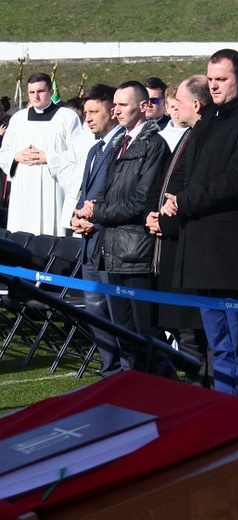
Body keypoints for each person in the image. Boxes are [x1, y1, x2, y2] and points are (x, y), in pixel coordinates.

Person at [161, 49, 238, 398]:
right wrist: (173, 197)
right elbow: (182, 171)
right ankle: (226, 409)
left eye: (221, 79)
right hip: (198, 246)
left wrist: (186, 201)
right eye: (210, 80)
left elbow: (236, 181)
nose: (214, 86)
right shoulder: (207, 120)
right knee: (218, 343)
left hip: (228, 249)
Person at [77, 80, 171, 368]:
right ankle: (135, 393)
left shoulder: (154, 145)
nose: (116, 111)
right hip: (112, 250)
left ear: (144, 107)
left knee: (146, 333)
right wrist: (92, 208)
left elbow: (142, 200)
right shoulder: (118, 143)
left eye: (122, 105)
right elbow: (106, 189)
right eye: (114, 105)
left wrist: (98, 212)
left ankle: (162, 391)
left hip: (137, 251)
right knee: (124, 333)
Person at [145, 75, 213, 388]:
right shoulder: (188, 135)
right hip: (171, 241)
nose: (174, 110)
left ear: (195, 105)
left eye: (179, 104)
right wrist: (154, 214)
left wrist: (167, 220)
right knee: (184, 333)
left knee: (195, 337)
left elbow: (193, 190)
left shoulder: (203, 136)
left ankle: (202, 394)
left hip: (188, 245)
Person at [69, 83, 125, 377]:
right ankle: (109, 370)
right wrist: (76, 216)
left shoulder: (122, 146)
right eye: (85, 112)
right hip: (89, 245)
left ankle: (126, 372)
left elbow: (117, 195)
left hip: (111, 243)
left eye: (94, 111)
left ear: (112, 111)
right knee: (96, 312)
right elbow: (86, 192)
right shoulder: (95, 149)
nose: (88, 118)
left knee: (117, 314)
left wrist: (96, 219)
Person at [0, 72, 82, 236]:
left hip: (53, 187)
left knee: (50, 236)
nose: (35, 97)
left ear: (51, 92)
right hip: (23, 190)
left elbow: (78, 156)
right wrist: (16, 156)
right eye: (31, 92)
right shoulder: (18, 118)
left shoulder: (67, 117)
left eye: (40, 91)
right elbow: (4, 152)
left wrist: (49, 158)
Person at [158, 85, 189, 151]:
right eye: (173, 107)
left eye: (181, 106)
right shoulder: (160, 138)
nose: (178, 110)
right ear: (167, 108)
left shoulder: (200, 133)